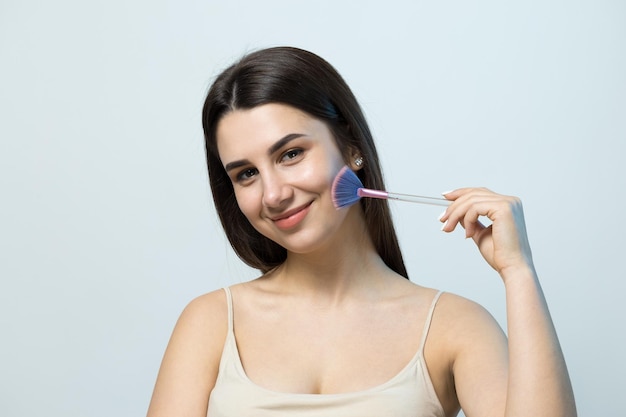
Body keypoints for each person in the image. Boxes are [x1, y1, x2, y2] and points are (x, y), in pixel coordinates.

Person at [147, 46, 577, 417]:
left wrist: (518, 271)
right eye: (246, 174)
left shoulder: (454, 327)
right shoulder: (209, 324)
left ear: (351, 147)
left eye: (291, 153)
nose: (273, 194)